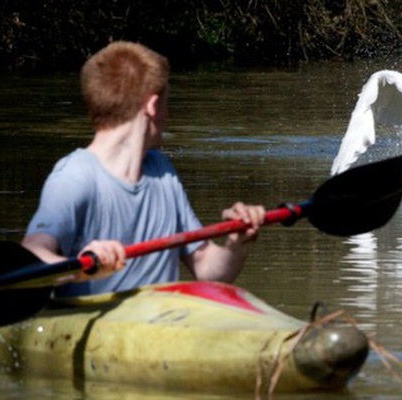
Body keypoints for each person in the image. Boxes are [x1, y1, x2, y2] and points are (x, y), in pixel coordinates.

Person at [21, 41, 266, 297]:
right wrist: (80, 268)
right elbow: (32, 254)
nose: (168, 115)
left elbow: (207, 268)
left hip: (162, 326)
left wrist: (236, 246)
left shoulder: (162, 171)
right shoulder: (75, 176)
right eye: (167, 104)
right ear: (152, 105)